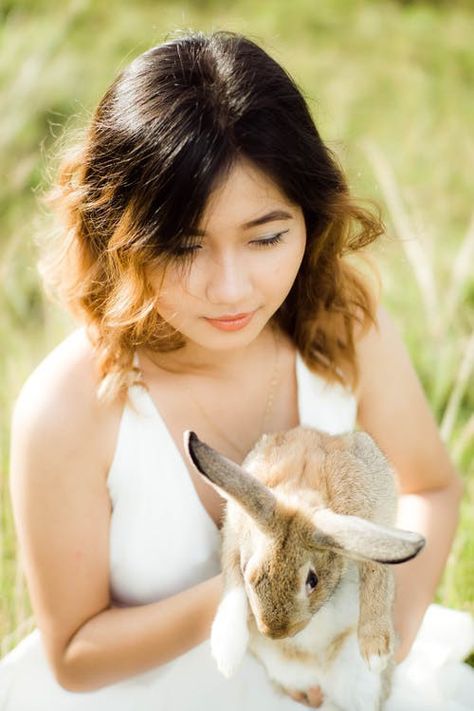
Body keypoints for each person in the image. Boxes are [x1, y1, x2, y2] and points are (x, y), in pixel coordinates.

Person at [0, 30, 472, 711]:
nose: (229, 289)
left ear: (311, 217)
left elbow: (431, 485)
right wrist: (243, 596)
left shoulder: (341, 321)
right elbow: (73, 655)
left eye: (267, 237)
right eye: (183, 246)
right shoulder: (69, 405)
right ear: (117, 235)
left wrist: (374, 653)